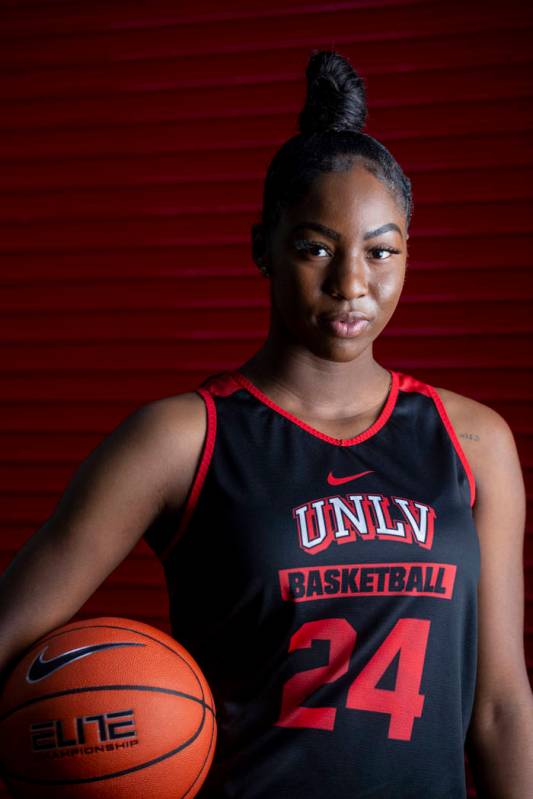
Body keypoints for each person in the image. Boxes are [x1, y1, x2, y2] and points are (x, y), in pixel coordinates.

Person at [0, 49, 531, 798]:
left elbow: (501, 705)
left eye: (381, 251)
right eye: (316, 247)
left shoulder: (473, 440)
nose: (352, 282)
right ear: (263, 249)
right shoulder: (183, 437)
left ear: (407, 255)